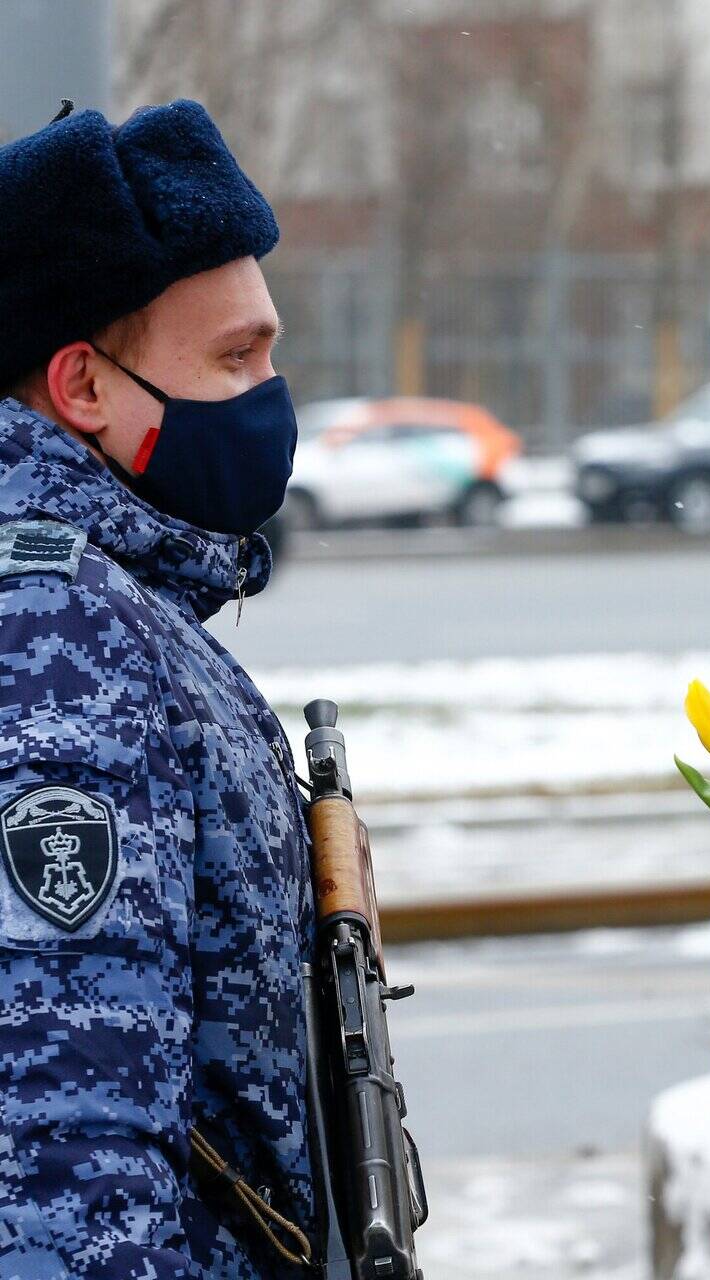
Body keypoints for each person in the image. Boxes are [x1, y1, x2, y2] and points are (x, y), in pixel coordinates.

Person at [0, 101, 312, 1278]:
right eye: (233, 358)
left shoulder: (116, 603)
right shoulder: (59, 635)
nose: (271, 394)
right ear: (83, 385)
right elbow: (62, 1152)